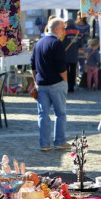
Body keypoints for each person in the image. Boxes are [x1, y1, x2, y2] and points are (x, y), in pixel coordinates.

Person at [30, 17, 69, 152]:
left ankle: (45, 144)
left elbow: (32, 65)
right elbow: (61, 66)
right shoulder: (56, 43)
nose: (65, 31)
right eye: (63, 28)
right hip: (56, 83)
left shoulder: (39, 43)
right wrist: (65, 81)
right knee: (60, 114)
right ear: (57, 29)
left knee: (43, 115)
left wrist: (36, 81)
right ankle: (59, 141)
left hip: (41, 84)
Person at [63, 19, 81, 93]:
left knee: (65, 71)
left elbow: (61, 42)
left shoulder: (65, 32)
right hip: (74, 54)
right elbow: (80, 44)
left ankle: (66, 86)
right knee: (73, 71)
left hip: (66, 54)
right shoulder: (78, 32)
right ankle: (71, 87)